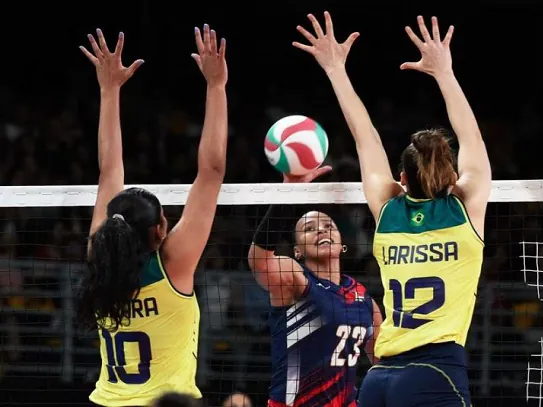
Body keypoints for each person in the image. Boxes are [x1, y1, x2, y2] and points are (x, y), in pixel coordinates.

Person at [294, 12, 490, 407]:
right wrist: (445, 73)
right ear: (451, 175)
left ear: (401, 177)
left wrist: (335, 69)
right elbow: (471, 135)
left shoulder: (387, 209)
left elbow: (364, 138)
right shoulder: (466, 208)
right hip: (435, 374)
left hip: (379, 378)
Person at [76, 25, 229, 406]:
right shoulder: (173, 266)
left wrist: (108, 90)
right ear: (160, 230)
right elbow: (211, 170)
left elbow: (110, 172)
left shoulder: (100, 259)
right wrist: (216, 86)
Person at [247, 168, 383, 407]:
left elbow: (383, 364)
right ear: (297, 251)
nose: (321, 230)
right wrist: (288, 194)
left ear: (342, 244)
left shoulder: (364, 298)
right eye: (309, 229)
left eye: (328, 226)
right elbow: (260, 262)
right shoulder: (295, 280)